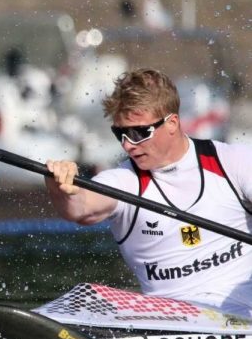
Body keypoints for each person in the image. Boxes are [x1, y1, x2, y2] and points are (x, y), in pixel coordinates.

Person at [45, 68, 252, 316]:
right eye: (120, 133)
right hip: (167, 321)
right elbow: (80, 208)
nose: (127, 145)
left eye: (138, 133)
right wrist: (59, 185)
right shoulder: (125, 182)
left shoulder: (232, 162)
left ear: (172, 123)